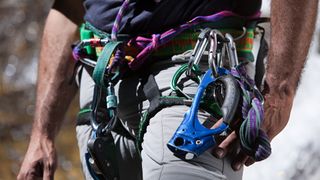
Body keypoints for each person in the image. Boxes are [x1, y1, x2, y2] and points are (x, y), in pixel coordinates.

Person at [17, 0, 318, 179]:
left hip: (196, 73)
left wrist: (279, 91)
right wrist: (42, 135)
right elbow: (68, 8)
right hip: (100, 92)